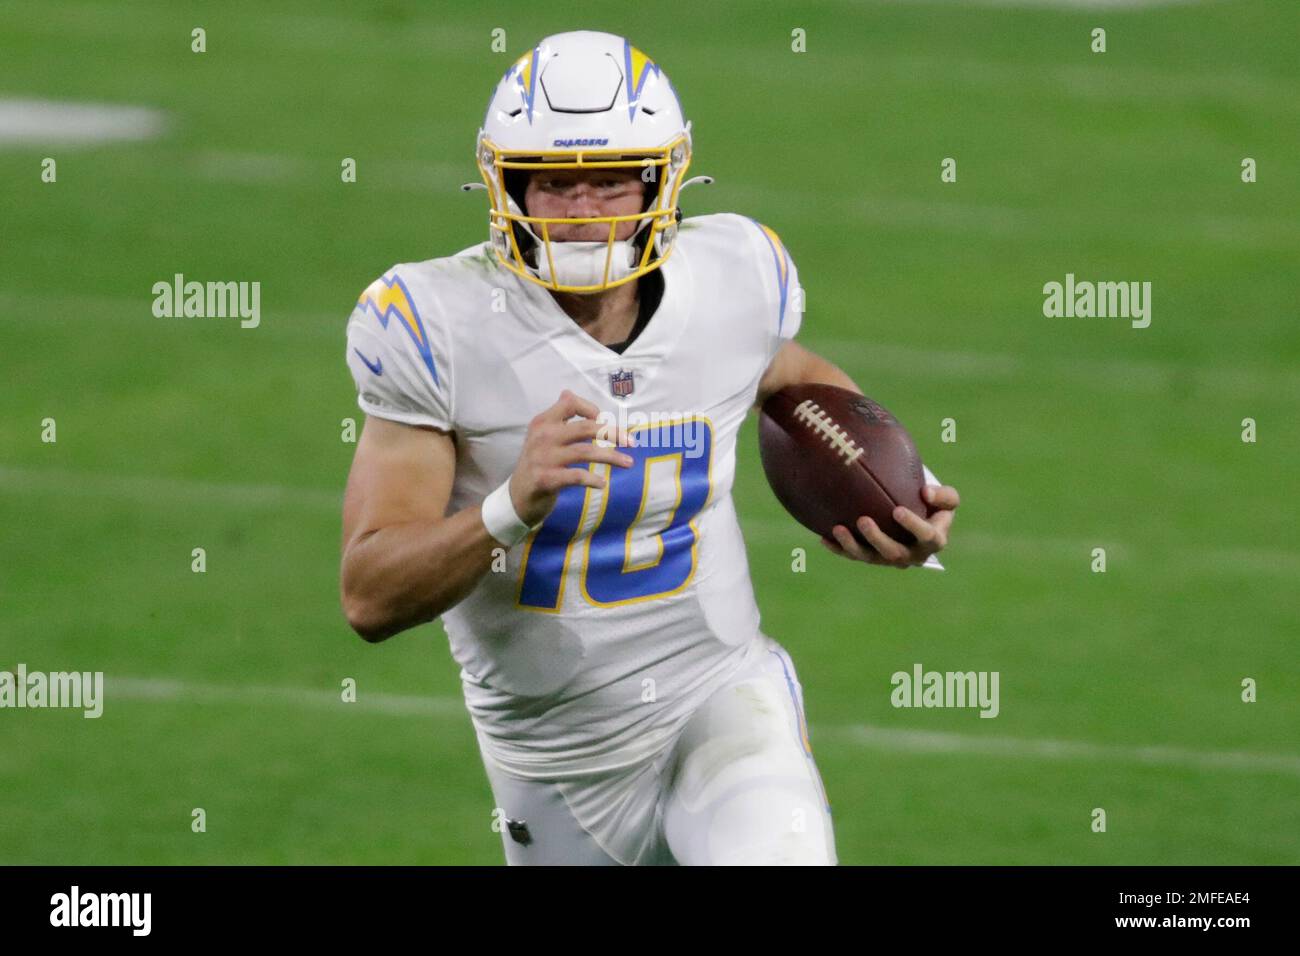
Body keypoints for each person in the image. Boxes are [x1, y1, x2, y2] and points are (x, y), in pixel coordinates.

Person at [340, 30, 959, 865]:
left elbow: (790, 374)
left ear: (662, 178)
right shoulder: (435, 325)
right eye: (553, 183)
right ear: (504, 185)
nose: (584, 209)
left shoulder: (735, 275)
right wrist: (509, 505)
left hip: (719, 697)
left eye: (610, 180)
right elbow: (369, 596)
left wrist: (895, 492)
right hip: (555, 761)